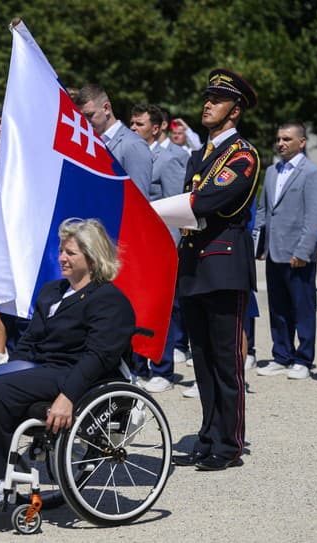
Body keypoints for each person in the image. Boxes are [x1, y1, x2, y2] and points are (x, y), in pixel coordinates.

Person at [0, 218, 135, 502]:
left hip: (74, 371)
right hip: (41, 368)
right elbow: (29, 341)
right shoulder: (52, 291)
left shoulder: (108, 299)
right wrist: (9, 369)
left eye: (71, 253)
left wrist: (68, 397)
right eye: (62, 251)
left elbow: (98, 356)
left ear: (92, 259)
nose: (62, 258)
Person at [173, 68, 260, 472]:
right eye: (207, 97)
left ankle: (229, 442)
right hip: (194, 264)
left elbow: (205, 202)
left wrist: (166, 210)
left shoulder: (243, 154)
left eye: (217, 99)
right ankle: (208, 434)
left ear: (235, 110)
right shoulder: (198, 156)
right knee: (201, 360)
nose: (207, 104)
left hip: (224, 264)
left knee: (226, 361)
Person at [254, 121, 317, 380]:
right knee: (278, 307)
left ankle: (303, 359)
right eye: (279, 139)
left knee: (302, 308)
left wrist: (304, 250)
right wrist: (260, 245)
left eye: (287, 139)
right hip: (274, 251)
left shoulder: (312, 172)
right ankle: (281, 355)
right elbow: (263, 210)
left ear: (302, 142)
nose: (281, 143)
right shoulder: (272, 171)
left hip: (298, 253)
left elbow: (314, 216)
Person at [128, 103, 188, 393]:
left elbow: (175, 206)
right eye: (132, 123)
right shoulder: (131, 151)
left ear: (156, 127)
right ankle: (138, 366)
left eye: (139, 124)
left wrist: (170, 250)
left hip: (159, 243)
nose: (133, 129)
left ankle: (162, 368)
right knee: (137, 307)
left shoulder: (170, 159)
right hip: (137, 243)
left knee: (161, 308)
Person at [73, 84, 152, 198]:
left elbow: (139, 198)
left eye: (89, 115)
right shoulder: (88, 142)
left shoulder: (132, 144)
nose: (85, 121)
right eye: (82, 117)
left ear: (106, 109)